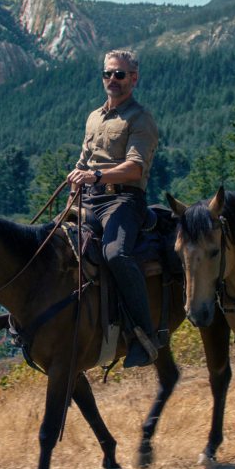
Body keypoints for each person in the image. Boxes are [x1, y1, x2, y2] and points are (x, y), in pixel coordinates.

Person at [66, 49, 160, 368]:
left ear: (134, 78)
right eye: (107, 74)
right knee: (52, 245)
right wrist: (76, 181)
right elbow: (84, 159)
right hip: (89, 198)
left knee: (115, 254)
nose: (112, 80)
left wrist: (96, 174)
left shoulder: (141, 118)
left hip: (123, 200)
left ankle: (144, 336)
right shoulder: (94, 116)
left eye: (119, 74)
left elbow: (135, 167)